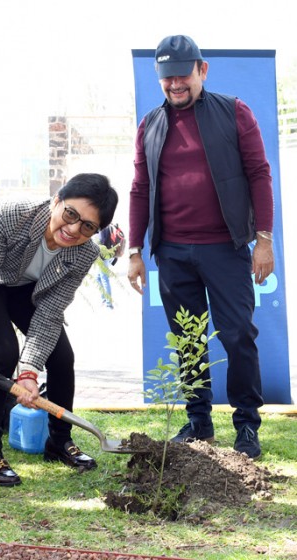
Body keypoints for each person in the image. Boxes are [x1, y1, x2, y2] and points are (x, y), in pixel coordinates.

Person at [127, 35, 274, 459]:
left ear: (202, 70)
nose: (175, 84)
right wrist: (135, 250)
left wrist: (263, 240)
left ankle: (247, 425)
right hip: (171, 252)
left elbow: (259, 175)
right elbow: (140, 189)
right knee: (188, 340)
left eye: (183, 74)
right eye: (167, 77)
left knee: (238, 335)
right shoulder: (151, 125)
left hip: (226, 249)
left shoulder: (234, 112)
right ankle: (199, 423)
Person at [0, 173, 118, 485]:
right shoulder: (14, 215)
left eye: (88, 226)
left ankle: (59, 442)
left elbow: (50, 311)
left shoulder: (84, 252)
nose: (73, 229)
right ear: (56, 201)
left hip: (21, 286)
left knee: (61, 356)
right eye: (70, 214)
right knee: (3, 352)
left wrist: (29, 373)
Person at [95, 226, 115, 309]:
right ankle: (104, 299)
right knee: (98, 278)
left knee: (104, 278)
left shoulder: (102, 228)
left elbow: (102, 241)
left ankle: (108, 303)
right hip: (107, 255)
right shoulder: (107, 226)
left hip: (103, 256)